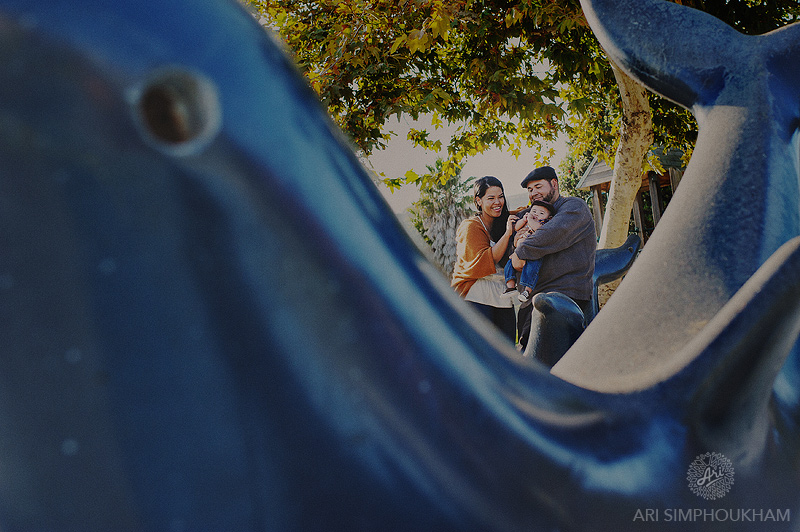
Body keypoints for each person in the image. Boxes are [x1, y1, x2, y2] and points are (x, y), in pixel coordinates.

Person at [511, 166, 596, 350]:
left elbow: (549, 235)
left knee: (558, 362)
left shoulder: (573, 207)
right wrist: (516, 244)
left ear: (554, 184)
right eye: (530, 190)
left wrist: (519, 252)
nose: (534, 193)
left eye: (538, 187)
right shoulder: (533, 214)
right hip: (532, 301)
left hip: (564, 298)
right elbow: (516, 237)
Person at [451, 176, 518, 341]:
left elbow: (526, 211)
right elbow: (485, 261)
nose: (498, 202)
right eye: (491, 198)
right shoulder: (471, 227)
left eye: (500, 196)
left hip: (502, 297)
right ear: (478, 201)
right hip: (476, 296)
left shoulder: (502, 221)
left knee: (508, 349)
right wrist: (508, 233)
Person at [503, 200, 556, 305]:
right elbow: (516, 228)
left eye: (541, 213)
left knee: (532, 270)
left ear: (548, 218)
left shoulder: (543, 224)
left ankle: (527, 291)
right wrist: (523, 220)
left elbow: (537, 228)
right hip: (518, 251)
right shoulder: (527, 221)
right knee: (508, 266)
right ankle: (510, 287)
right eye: (534, 211)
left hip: (533, 254)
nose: (536, 214)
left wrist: (530, 219)